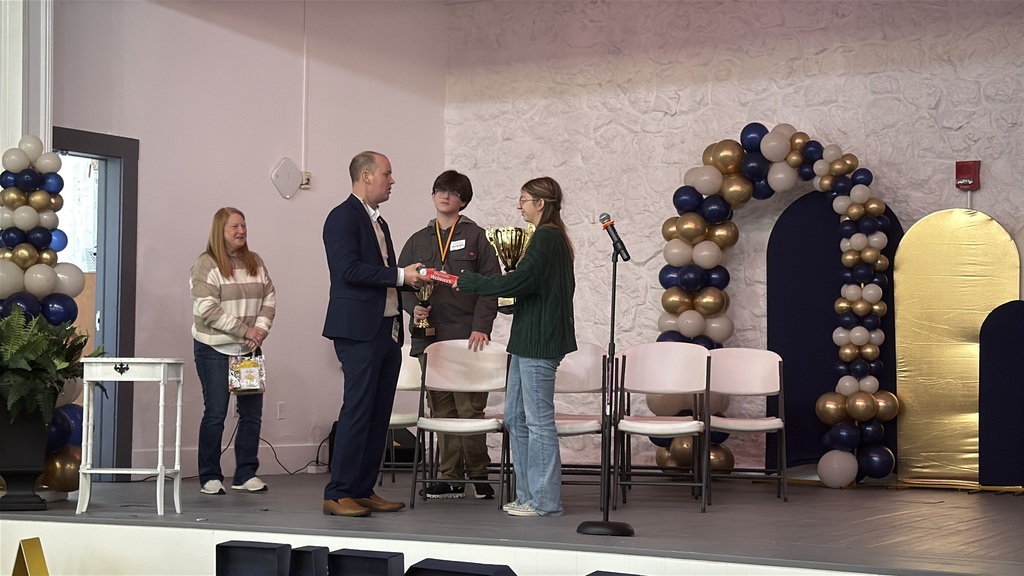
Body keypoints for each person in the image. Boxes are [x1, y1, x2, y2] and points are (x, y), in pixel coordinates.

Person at [456, 177, 576, 517]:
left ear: (541, 203)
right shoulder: (545, 239)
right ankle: (527, 495)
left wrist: (476, 282)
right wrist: (510, 300)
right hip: (527, 338)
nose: (519, 205)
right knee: (515, 417)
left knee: (538, 422)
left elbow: (523, 281)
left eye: (524, 199)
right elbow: (531, 288)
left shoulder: (548, 237)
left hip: (540, 341)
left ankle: (545, 501)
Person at [322, 151, 426, 518]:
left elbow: (381, 274)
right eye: (387, 174)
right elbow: (349, 270)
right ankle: (338, 491)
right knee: (359, 408)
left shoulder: (379, 223)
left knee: (379, 412)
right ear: (366, 176)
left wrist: (409, 296)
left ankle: (362, 488)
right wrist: (401, 276)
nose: (392, 180)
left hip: (386, 327)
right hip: (357, 330)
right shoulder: (341, 218)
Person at [397, 170, 502, 500]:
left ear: (464, 200)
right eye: (440, 190)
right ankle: (450, 475)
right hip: (430, 337)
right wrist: (414, 308)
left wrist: (481, 326)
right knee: (441, 410)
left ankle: (479, 473)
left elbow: (491, 287)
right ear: (432, 196)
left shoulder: (476, 237)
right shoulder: (417, 240)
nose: (445, 196)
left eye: (453, 193)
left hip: (468, 338)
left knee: (469, 409)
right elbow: (402, 283)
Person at [191, 207, 276, 496]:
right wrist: (245, 330)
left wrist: (260, 331)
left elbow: (269, 297)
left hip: (249, 350)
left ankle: (245, 473)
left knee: (251, 414)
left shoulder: (255, 261)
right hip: (214, 348)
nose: (241, 231)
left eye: (244, 226)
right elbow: (207, 309)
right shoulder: (206, 264)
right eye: (234, 227)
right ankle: (210, 476)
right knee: (216, 412)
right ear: (220, 231)